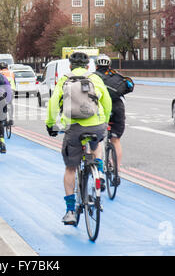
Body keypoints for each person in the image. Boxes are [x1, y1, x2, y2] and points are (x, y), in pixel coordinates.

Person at [45, 52, 112, 226]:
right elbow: (107, 101)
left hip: (73, 128)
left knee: (70, 168)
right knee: (96, 142)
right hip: (96, 124)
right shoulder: (95, 78)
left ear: (70, 65)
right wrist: (104, 119)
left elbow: (53, 103)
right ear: (88, 66)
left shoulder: (65, 79)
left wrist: (51, 124)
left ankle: (70, 211)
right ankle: (99, 172)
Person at [94, 54, 134, 180]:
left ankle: (98, 171)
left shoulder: (93, 77)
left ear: (96, 65)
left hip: (100, 109)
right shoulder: (117, 76)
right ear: (109, 65)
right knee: (115, 140)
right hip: (117, 108)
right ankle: (116, 170)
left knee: (96, 140)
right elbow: (129, 86)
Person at [0, 61, 15, 127]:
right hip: (11, 89)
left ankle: (3, 119)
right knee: (10, 104)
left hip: (2, 90)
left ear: (0, 68)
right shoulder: (11, 72)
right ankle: (11, 119)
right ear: (7, 67)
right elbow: (14, 82)